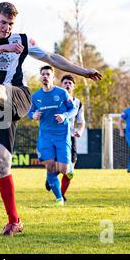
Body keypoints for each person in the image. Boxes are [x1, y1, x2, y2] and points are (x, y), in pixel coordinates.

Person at [0, 2, 101, 236]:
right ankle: (14, 221)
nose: (6, 28)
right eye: (3, 22)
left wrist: (81, 71)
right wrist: (4, 49)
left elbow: (52, 58)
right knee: (2, 162)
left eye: (10, 24)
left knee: (0, 89)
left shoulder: (22, 40)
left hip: (19, 95)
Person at [29, 66, 78, 207]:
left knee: (65, 169)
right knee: (50, 168)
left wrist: (64, 116)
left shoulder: (62, 93)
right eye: (43, 74)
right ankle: (59, 199)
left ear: (53, 77)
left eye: (48, 74)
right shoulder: (36, 96)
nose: (45, 76)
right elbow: (30, 112)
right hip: (45, 136)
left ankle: (67, 170)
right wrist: (33, 115)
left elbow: (73, 108)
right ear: (40, 77)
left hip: (62, 136)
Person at [44, 74, 85, 202]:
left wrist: (80, 131)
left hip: (70, 137)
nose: (67, 85)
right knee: (56, 165)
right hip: (55, 137)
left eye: (70, 83)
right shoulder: (54, 100)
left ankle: (60, 193)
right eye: (65, 82)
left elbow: (81, 121)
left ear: (73, 87)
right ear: (61, 85)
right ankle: (58, 192)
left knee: (70, 170)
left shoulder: (77, 103)